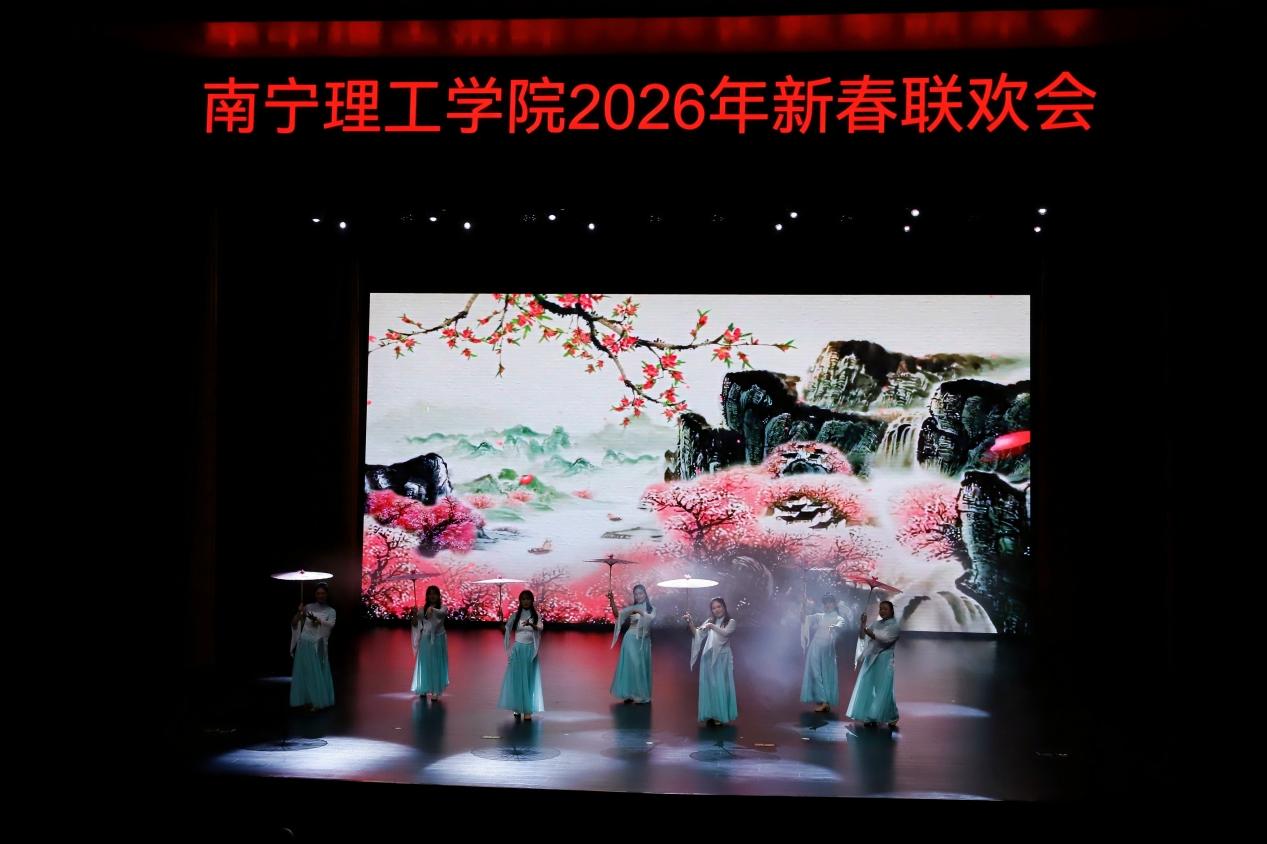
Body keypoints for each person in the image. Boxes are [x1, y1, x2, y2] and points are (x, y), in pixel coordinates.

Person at [847, 599, 900, 728]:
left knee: (883, 689)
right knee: (869, 685)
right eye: (881, 608)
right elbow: (862, 636)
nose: (882, 611)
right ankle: (882, 714)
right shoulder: (876, 623)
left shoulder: (895, 625)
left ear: (891, 610)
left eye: (885, 609)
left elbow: (885, 638)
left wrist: (870, 632)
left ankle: (877, 716)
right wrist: (863, 623)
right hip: (871, 658)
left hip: (885, 660)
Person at [687, 597, 738, 726]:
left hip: (722, 658)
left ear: (724, 607)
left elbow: (725, 633)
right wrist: (690, 622)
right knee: (710, 685)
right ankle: (710, 713)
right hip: (708, 657)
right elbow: (698, 634)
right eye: (713, 608)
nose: (716, 610)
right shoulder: (710, 621)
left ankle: (720, 715)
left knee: (720, 685)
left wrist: (711, 626)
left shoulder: (731, 622)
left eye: (719, 606)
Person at [498, 590, 545, 719]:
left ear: (532, 600)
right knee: (518, 678)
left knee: (529, 678)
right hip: (518, 650)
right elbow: (507, 630)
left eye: (528, 599)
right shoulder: (515, 615)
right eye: (523, 599)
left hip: (530, 651)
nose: (525, 601)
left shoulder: (536, 615)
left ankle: (527, 709)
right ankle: (518, 707)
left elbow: (541, 628)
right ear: (520, 601)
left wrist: (532, 624)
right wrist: (501, 623)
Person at [290, 583, 336, 711]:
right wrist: (299, 611)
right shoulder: (308, 607)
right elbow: (294, 623)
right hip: (304, 642)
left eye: (323, 593)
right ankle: (307, 699)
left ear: (327, 594)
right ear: (315, 595)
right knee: (305, 672)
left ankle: (317, 700)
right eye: (318, 593)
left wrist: (319, 621)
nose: (320, 595)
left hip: (318, 643)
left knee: (317, 672)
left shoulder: (331, 611)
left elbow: (331, 625)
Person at [801, 594, 848, 712]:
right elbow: (804, 619)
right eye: (825, 602)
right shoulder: (819, 616)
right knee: (815, 673)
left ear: (834, 604)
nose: (827, 605)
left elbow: (841, 624)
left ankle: (825, 701)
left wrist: (834, 626)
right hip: (815, 646)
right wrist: (803, 606)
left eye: (830, 602)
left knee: (825, 674)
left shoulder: (839, 618)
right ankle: (823, 700)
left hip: (827, 649)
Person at [609, 584, 655, 704]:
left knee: (641, 667)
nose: (638, 596)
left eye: (640, 593)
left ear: (645, 594)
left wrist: (640, 611)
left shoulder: (651, 608)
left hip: (644, 642)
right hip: (631, 639)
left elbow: (650, 619)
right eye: (636, 594)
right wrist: (612, 601)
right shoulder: (632, 608)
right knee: (635, 665)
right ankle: (631, 693)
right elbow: (618, 615)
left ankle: (638, 693)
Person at [411, 585, 449, 700]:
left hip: (438, 639)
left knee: (436, 664)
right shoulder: (422, 610)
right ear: (427, 596)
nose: (432, 596)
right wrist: (414, 614)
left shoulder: (443, 608)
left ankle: (435, 691)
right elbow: (415, 624)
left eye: (435, 593)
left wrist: (432, 609)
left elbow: (440, 614)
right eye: (430, 593)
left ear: (438, 596)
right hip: (425, 639)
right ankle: (423, 687)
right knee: (425, 664)